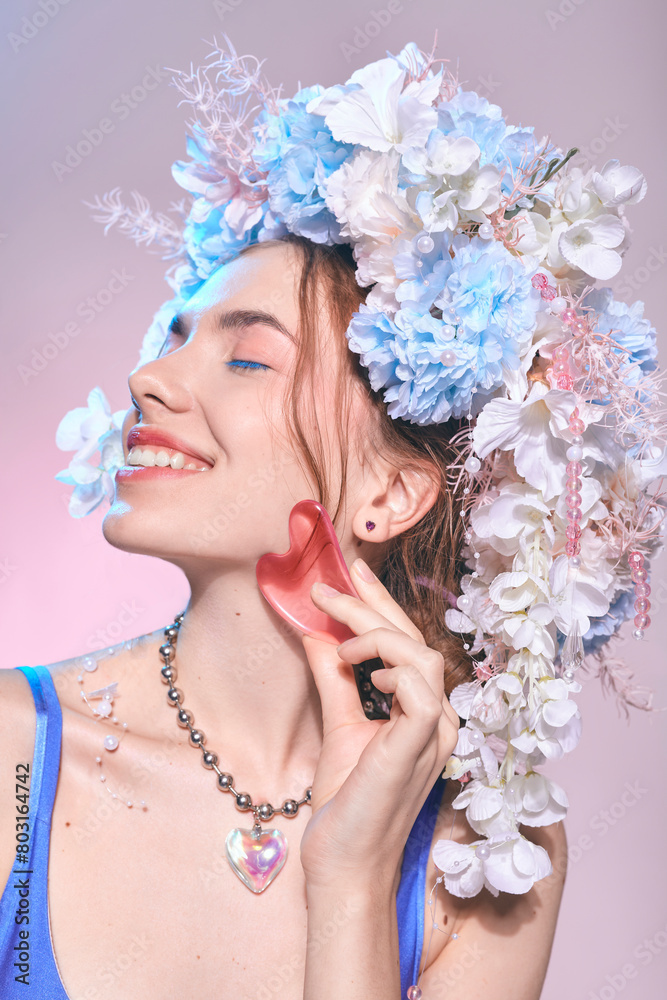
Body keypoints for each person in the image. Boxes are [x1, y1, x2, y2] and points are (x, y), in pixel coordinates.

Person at [1, 34, 660, 1000]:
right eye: (175, 336)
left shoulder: (481, 863)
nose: (148, 379)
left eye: (246, 358)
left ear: (390, 496)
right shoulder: (16, 755)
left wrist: (348, 882)